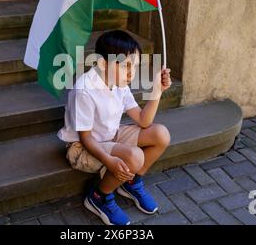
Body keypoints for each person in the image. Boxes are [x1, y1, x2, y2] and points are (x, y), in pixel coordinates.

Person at [57, 29, 172, 225]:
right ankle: (99, 197)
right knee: (135, 156)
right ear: (103, 64)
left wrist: (157, 91)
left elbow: (144, 121)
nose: (132, 73)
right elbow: (85, 138)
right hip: (83, 147)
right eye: (126, 65)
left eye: (134, 66)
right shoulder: (84, 90)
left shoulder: (120, 83)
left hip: (111, 136)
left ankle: (130, 182)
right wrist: (109, 161)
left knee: (161, 134)